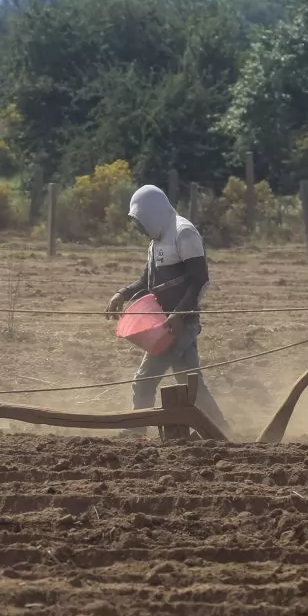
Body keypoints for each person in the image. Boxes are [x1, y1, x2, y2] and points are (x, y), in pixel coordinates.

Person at [106, 185, 230, 434]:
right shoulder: (157, 240)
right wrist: (122, 294)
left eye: (141, 221)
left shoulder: (183, 233)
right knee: (191, 385)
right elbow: (146, 282)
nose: (140, 228)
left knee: (144, 381)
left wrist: (179, 314)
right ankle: (222, 431)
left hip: (177, 326)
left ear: (153, 212)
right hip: (165, 324)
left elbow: (199, 279)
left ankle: (137, 432)